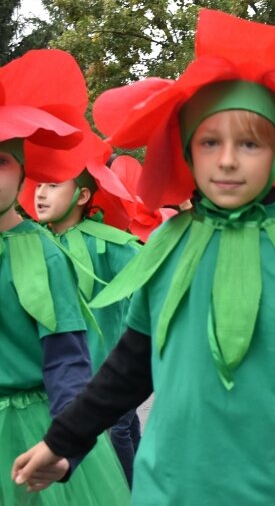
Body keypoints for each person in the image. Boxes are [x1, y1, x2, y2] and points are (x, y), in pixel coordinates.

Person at [12, 9, 275, 505]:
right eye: (209, 142)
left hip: (268, 489)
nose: (226, 159)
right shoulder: (169, 242)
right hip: (167, 486)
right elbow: (131, 367)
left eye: (249, 143)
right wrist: (63, 441)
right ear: (187, 150)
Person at [1, 49, 130, 505]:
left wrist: (66, 445)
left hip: (31, 430)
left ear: (23, 175)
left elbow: (65, 358)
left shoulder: (41, 251)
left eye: (1, 162)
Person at [30, 169, 142, 486]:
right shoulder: (34, 244)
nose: (40, 193)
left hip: (113, 370)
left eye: (52, 185)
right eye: (38, 184)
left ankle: (131, 493)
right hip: (73, 375)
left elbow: (151, 281)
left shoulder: (108, 243)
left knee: (115, 432)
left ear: (82, 196)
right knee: (126, 428)